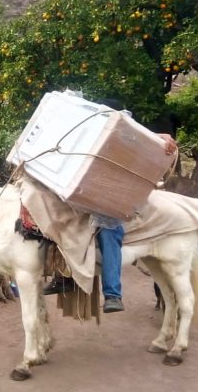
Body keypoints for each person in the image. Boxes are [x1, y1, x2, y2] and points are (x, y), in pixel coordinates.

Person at [44, 133, 178, 314]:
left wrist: (162, 137)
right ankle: (64, 278)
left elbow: (139, 134)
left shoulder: (127, 139)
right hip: (84, 198)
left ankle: (112, 295)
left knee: (109, 234)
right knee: (57, 223)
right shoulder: (89, 138)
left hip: (112, 204)